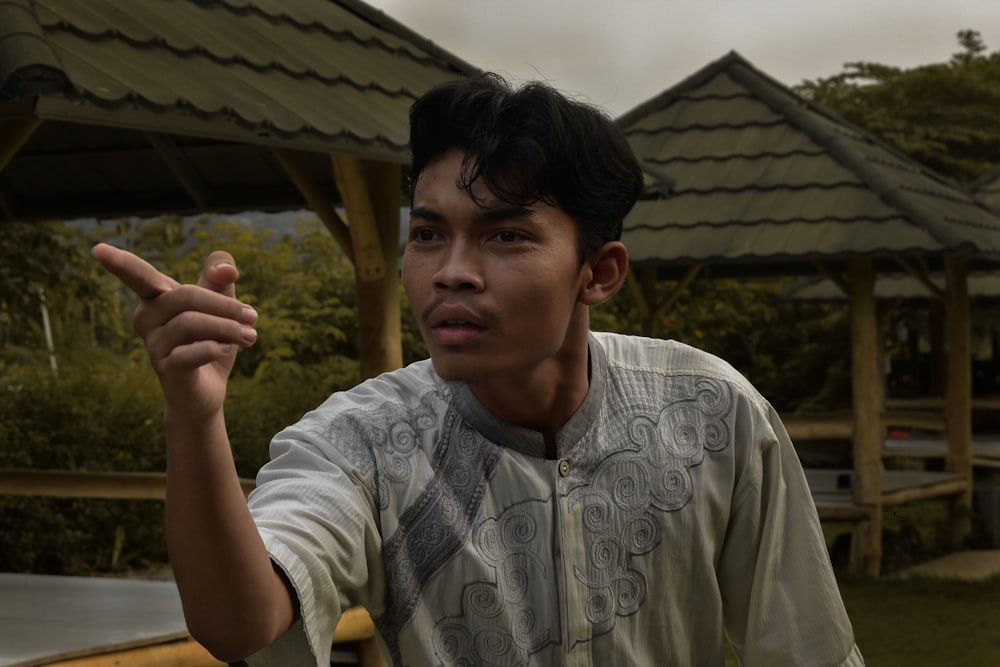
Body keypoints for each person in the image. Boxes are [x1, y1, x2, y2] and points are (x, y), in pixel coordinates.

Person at [93, 73, 864, 666]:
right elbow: (239, 622)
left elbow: (806, 647)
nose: (451, 271)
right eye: (428, 234)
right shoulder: (360, 440)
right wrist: (195, 422)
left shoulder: (711, 412)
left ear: (598, 271)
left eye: (505, 236)